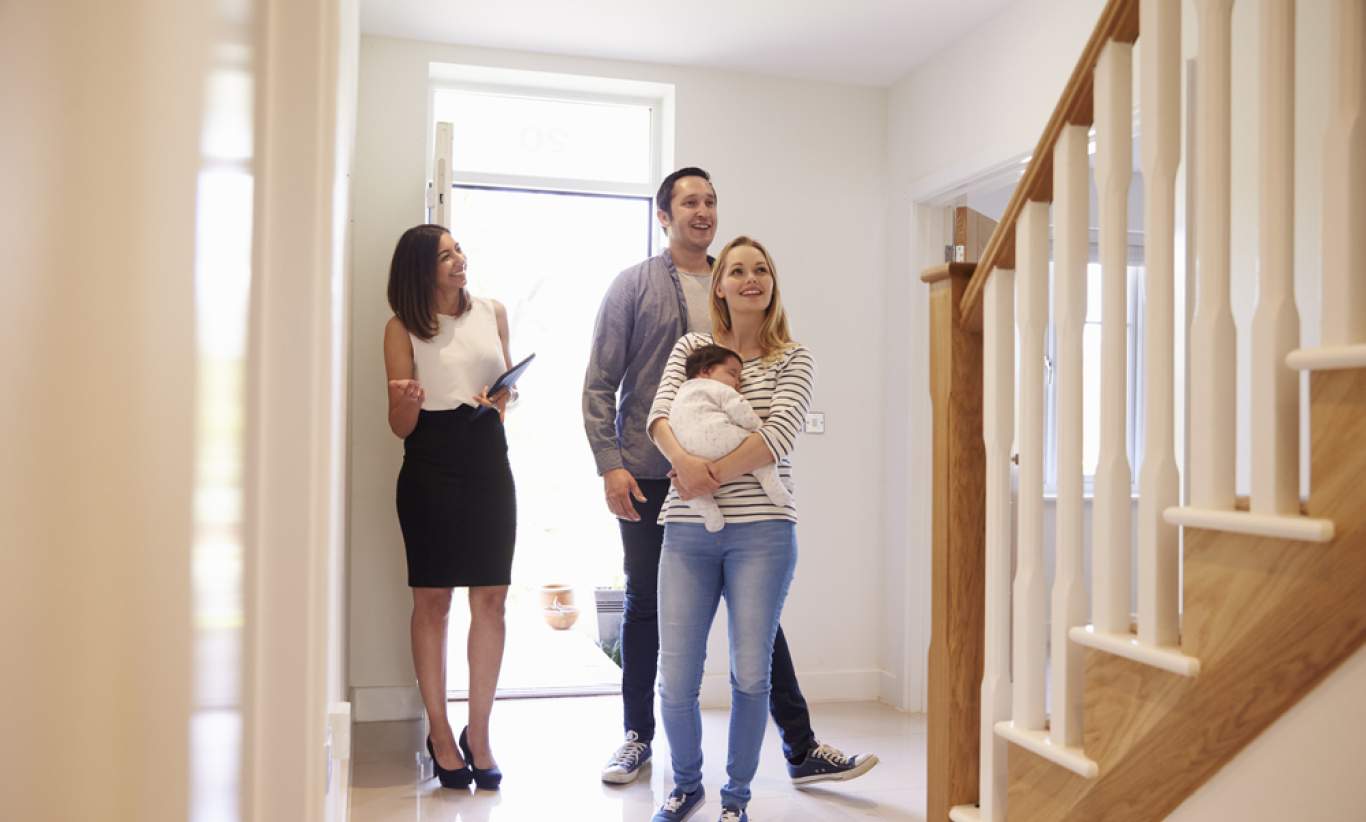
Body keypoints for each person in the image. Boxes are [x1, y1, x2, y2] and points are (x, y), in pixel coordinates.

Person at [582, 167, 878, 794]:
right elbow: (604, 383)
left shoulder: (737, 280)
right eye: (689, 201)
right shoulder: (635, 286)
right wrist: (611, 462)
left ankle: (798, 747)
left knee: (758, 627)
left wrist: (716, 468)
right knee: (645, 608)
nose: (703, 211)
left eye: (711, 201)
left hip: (742, 490)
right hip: (651, 470)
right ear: (663, 215)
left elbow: (773, 428)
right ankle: (639, 738)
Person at [384, 223, 516, 791]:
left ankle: (478, 733)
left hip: (488, 456)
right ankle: (440, 732)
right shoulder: (401, 328)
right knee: (432, 600)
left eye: (458, 249)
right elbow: (398, 428)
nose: (459, 260)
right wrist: (407, 401)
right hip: (430, 461)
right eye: (445, 256)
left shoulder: (492, 311)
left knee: (492, 597)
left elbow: (508, 390)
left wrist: (502, 397)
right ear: (421, 270)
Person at [666, 343, 791, 531]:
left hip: (688, 452)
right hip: (720, 438)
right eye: (733, 374)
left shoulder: (679, 393)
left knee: (691, 491)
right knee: (758, 447)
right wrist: (758, 427)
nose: (738, 383)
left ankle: (709, 512)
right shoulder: (718, 388)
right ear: (706, 371)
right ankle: (770, 483)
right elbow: (740, 409)